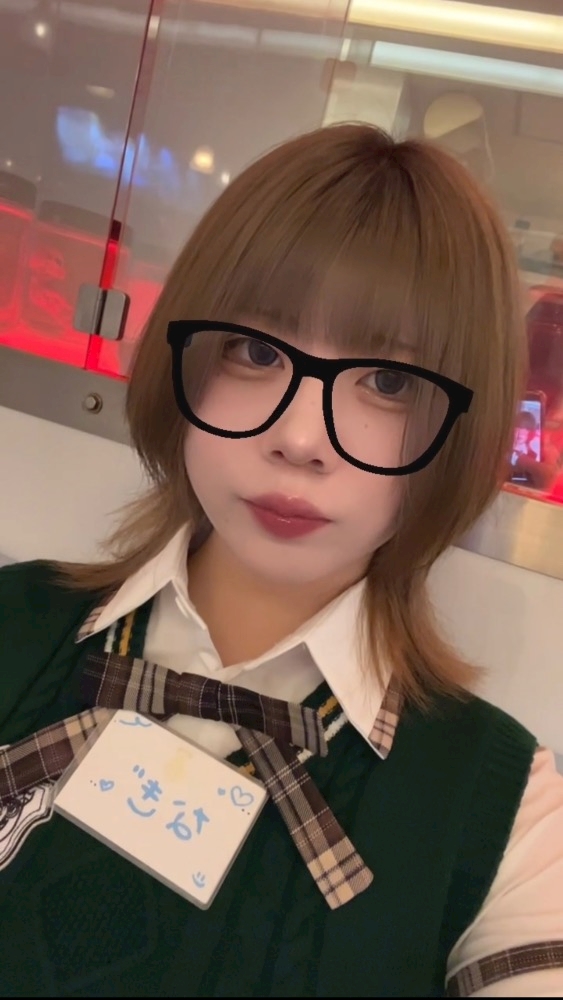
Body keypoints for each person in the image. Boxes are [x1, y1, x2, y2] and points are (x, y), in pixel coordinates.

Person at [0, 123, 562, 998]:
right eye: (257, 351)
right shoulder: (11, 622)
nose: (299, 439)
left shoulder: (499, 809)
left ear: (464, 425)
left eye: (388, 382)